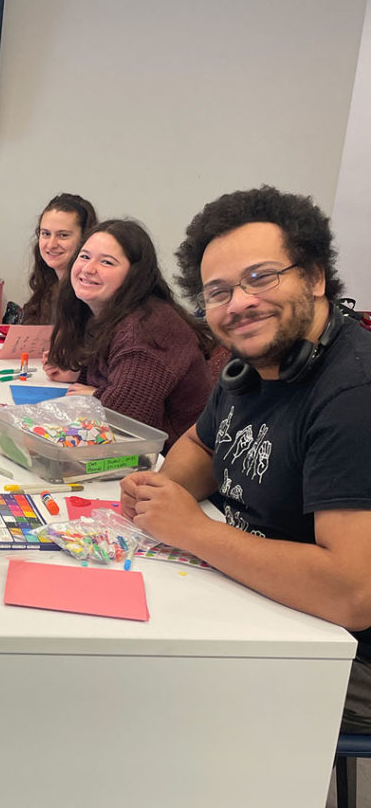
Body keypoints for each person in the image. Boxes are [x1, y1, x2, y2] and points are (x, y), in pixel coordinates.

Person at [120, 186, 371, 733]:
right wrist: (160, 492)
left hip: (346, 652)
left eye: (261, 277)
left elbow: (355, 593)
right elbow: (202, 445)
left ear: (315, 276)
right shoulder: (252, 364)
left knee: (132, 692)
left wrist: (193, 532)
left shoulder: (354, 393)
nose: (238, 304)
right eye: (217, 291)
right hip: (260, 600)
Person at [44, 219, 218, 449]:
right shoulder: (108, 314)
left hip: (170, 464)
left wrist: (97, 397)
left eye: (107, 262)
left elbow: (118, 424)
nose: (87, 269)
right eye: (84, 256)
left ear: (134, 275)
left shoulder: (146, 329)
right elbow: (90, 389)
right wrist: (93, 389)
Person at [19, 193, 97, 325]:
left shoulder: (88, 294)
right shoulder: (50, 285)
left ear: (84, 237)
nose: (51, 244)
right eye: (46, 234)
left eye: (63, 235)